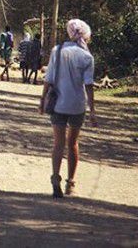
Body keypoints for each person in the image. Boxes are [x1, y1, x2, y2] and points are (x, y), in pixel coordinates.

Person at [39, 19, 97, 198]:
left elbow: (48, 78)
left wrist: (42, 99)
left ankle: (55, 178)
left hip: (58, 104)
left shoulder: (58, 51)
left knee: (58, 144)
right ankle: (70, 183)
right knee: (73, 144)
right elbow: (88, 86)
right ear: (84, 36)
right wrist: (92, 110)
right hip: (77, 106)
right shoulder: (87, 57)